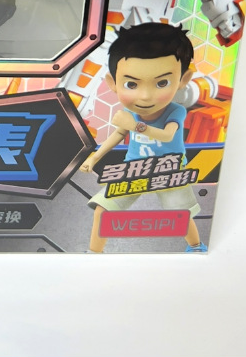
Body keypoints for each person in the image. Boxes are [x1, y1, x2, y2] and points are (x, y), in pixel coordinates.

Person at [79, 22, 206, 254]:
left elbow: (168, 135)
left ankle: (197, 247)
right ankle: (93, 254)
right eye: (131, 84)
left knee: (181, 214)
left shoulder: (175, 111)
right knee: (103, 209)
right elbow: (118, 134)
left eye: (162, 83)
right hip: (133, 170)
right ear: (113, 83)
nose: (146, 96)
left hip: (169, 169)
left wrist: (136, 126)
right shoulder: (129, 113)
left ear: (184, 79)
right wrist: (94, 158)